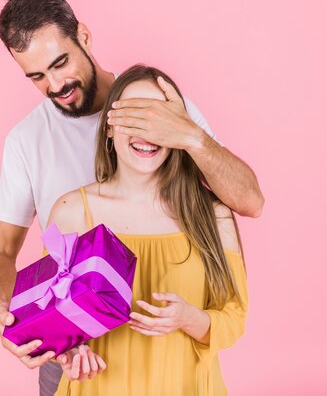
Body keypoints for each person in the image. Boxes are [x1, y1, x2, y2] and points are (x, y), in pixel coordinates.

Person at [0, 0, 263, 396]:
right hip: (77, 359)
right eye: (37, 76)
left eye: (60, 63)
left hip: (172, 367)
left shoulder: (158, 102)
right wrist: (8, 314)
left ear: (85, 38)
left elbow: (248, 202)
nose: (55, 84)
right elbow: (1, 252)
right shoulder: (28, 143)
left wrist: (191, 135)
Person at [48, 64, 248, 395]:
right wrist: (68, 351)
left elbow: (234, 318)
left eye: (158, 120)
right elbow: (53, 319)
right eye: (132, 117)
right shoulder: (70, 212)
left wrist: (188, 318)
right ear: (109, 129)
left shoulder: (212, 215)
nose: (146, 132)